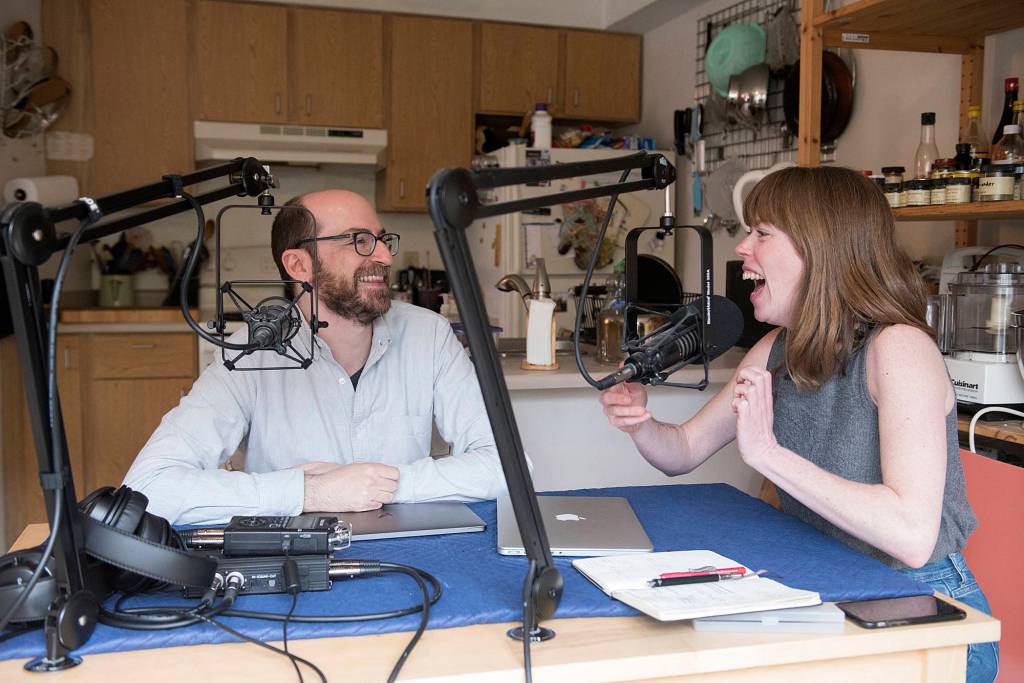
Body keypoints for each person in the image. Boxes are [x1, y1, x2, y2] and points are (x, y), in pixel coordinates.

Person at [599, 166, 998, 682]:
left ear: (821, 249)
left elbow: (912, 535)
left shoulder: (899, 349)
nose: (743, 248)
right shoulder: (777, 348)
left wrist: (769, 455)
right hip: (831, 580)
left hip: (923, 606)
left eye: (763, 233)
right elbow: (683, 450)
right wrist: (642, 423)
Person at [124, 189, 506, 525]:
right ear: (299, 266)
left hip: (411, 553)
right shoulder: (248, 356)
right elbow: (148, 487)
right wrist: (310, 492)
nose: (385, 256)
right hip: (291, 563)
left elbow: (505, 466)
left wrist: (377, 485)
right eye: (359, 240)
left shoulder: (430, 335)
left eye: (382, 239)